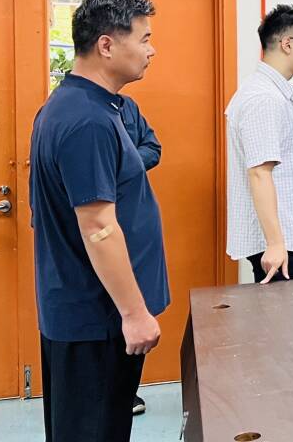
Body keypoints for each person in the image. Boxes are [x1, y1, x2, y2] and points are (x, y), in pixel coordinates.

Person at [29, 0, 168, 442]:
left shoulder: (85, 107)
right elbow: (99, 228)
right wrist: (134, 313)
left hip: (92, 313)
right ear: (107, 45)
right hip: (96, 318)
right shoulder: (85, 119)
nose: (151, 50)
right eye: (144, 39)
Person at [226, 4, 293, 284]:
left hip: (289, 236)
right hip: (282, 243)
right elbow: (259, 172)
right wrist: (276, 243)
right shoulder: (263, 98)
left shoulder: (277, 92)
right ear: (287, 44)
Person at [117, 94, 161, 417]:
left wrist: (121, 161)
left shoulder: (128, 107)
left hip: (133, 226)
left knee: (139, 311)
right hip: (100, 228)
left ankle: (127, 391)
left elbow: (153, 148)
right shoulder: (75, 114)